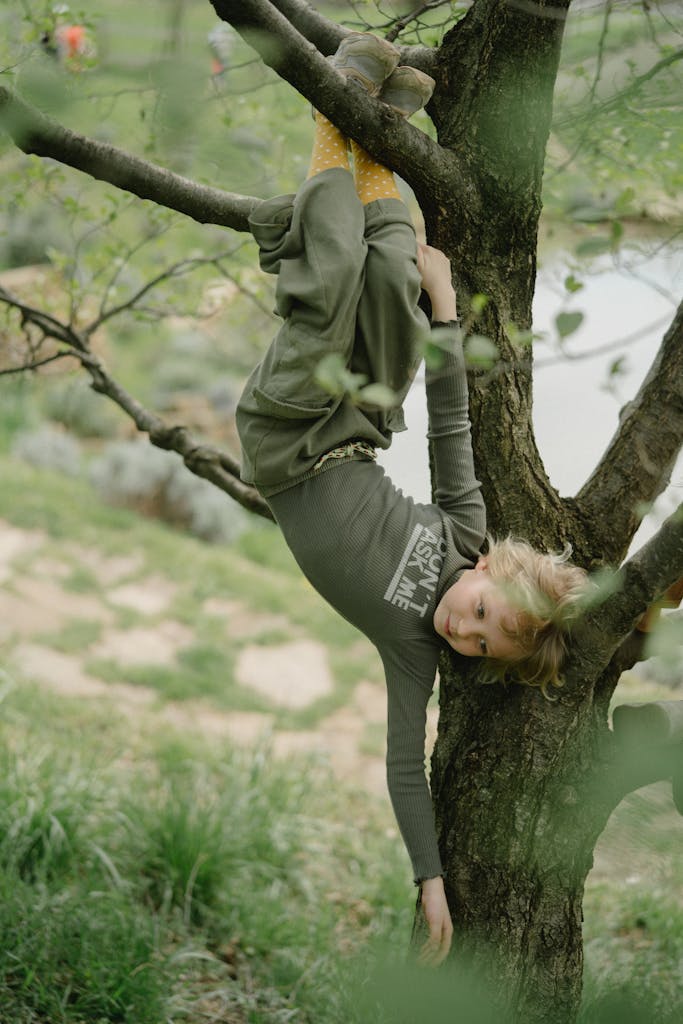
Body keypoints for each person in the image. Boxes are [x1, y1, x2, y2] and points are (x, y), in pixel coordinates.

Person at [235, 32, 588, 966]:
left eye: (476, 645)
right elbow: (449, 425)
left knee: (333, 281)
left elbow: (404, 767)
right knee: (392, 271)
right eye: (479, 615)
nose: (460, 632)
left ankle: (335, 108)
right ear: (486, 570)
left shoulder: (409, 649)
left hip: (284, 440)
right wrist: (441, 311)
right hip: (350, 428)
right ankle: (377, 130)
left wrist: (428, 881)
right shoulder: (466, 532)